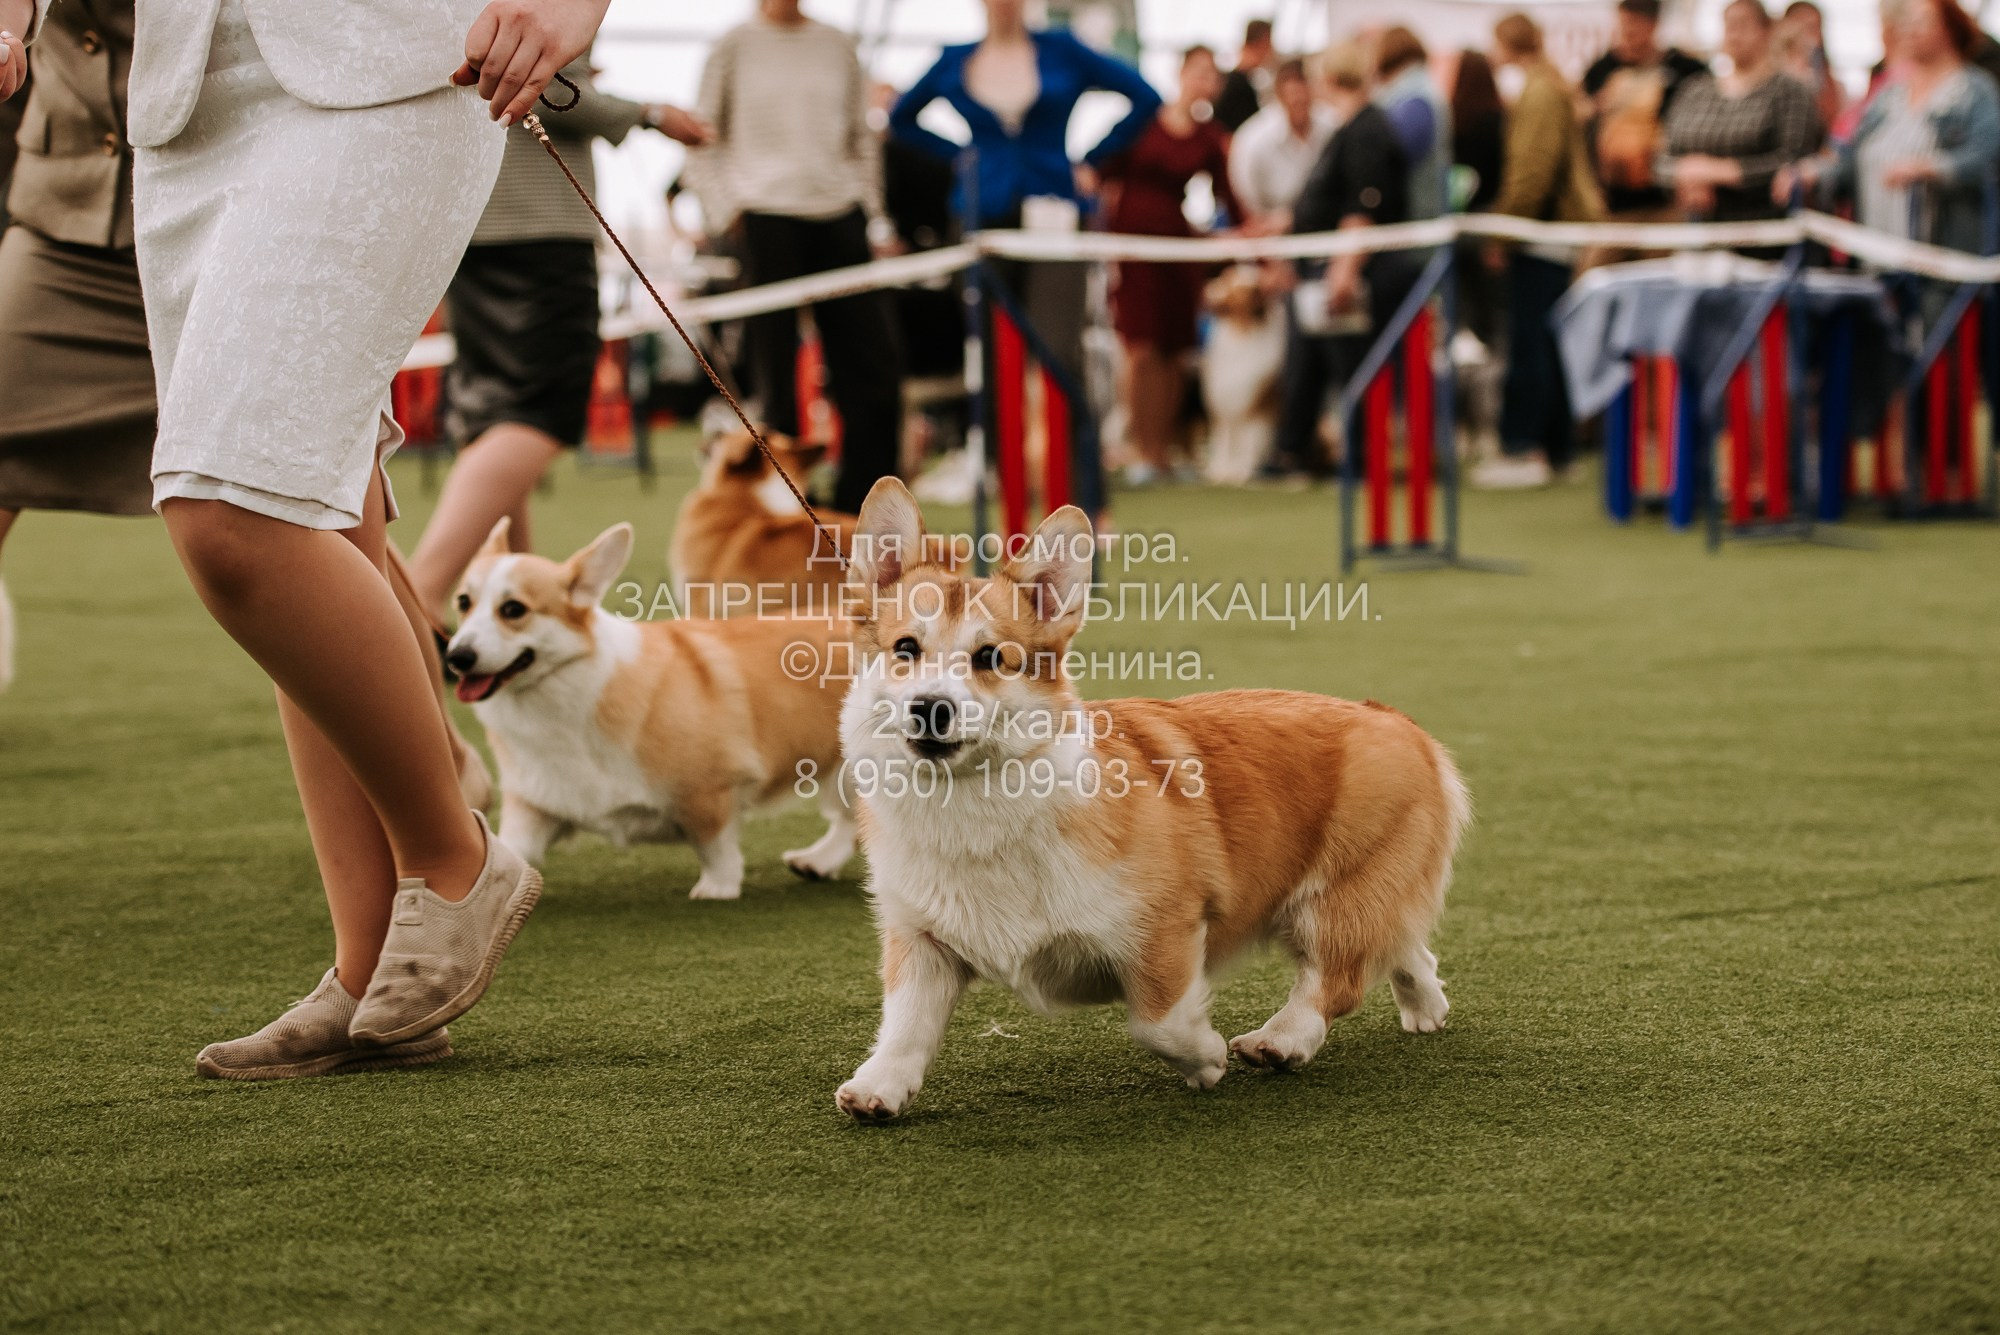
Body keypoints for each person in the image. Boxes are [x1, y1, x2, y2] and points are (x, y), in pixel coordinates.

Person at [4, 0, 608, 1080]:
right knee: (319, 507)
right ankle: (368, 966)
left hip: (391, 71)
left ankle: (454, 857)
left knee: (233, 512)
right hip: (185, 111)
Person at [407, 58, 708, 616]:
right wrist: (649, 113)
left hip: (470, 214)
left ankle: (509, 607)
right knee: (537, 412)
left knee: (497, 414)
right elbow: (537, 81)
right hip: (537, 221)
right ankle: (421, 596)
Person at [686, 0, 906, 516]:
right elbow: (701, 139)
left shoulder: (837, 43)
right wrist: (728, 211)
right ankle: (782, 509)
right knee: (772, 379)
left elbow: (863, 138)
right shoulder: (732, 45)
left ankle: (862, 511)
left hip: (840, 216)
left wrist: (871, 213)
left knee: (873, 371)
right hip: (763, 219)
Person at [890, 0, 1160, 390]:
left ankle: (1067, 448)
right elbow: (901, 119)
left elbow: (1145, 96)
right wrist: (962, 157)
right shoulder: (955, 59)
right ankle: (1000, 450)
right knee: (992, 352)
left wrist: (1094, 159)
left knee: (1057, 346)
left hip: (1054, 210)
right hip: (981, 214)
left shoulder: (1063, 48)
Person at [1269, 42, 1421, 477]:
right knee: (1329, 367)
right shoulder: (1354, 127)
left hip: (1361, 270)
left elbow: (1362, 208)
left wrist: (1343, 272)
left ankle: (1363, 458)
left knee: (1356, 368)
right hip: (1339, 263)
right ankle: (1312, 451)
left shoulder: (1365, 131)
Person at [1475, 12, 1607, 490]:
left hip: (1544, 235)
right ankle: (1556, 448)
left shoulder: (1539, 92)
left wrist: (1502, 234)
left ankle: (1524, 447)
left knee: (1531, 343)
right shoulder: (1548, 87)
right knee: (1549, 344)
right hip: (1556, 233)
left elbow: (1531, 175)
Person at [1102, 45, 1239, 484]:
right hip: (1134, 248)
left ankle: (1163, 451)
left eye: (1211, 75)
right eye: (1197, 71)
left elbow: (1230, 198)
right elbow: (1102, 170)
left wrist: (1246, 237)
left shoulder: (1209, 137)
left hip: (1179, 251)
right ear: (1181, 73)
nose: (1203, 82)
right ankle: (1140, 449)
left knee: (1175, 351)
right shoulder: (1142, 122)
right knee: (1140, 349)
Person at [1783, 0, 2000, 250]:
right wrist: (1814, 171)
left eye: (1922, 21)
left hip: (1940, 254)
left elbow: (1988, 157)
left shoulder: (1974, 91)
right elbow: (1851, 156)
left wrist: (1929, 168)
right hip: (1876, 251)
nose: (1910, 29)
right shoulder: (1890, 94)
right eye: (1907, 21)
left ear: (1950, 27)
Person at [1658, 0, 1822, 222]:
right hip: (1699, 223)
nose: (1735, 34)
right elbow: (1662, 157)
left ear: (1766, 31)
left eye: (1744, 25)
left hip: (1765, 227)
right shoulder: (1696, 90)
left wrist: (1723, 172)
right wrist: (1684, 177)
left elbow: (1793, 159)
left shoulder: (1788, 91)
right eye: (1729, 25)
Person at [1582, 0, 1711, 217]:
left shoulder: (1684, 70)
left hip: (1665, 200)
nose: (1627, 34)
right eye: (1624, 26)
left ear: (1653, 25)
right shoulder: (1602, 69)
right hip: (1611, 202)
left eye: (1634, 26)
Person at [1228, 57, 1338, 236]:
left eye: (1305, 95)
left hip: (1326, 229)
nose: (1299, 100)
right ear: (1279, 95)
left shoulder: (1332, 126)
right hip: (1272, 236)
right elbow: (1247, 200)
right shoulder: (1253, 139)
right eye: (1293, 96)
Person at [1451, 50, 1508, 345]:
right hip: (1489, 227)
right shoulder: (1500, 120)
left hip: (1464, 228)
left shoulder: (1456, 122)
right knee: (1492, 318)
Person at [1374, 26, 1453, 223]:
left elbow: (1390, 159)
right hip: (1422, 216)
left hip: (1414, 219)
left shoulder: (1413, 100)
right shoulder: (1422, 91)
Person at [1215, 18, 1276, 132]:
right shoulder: (1237, 85)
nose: (1272, 49)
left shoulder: (1241, 81)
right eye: (1269, 43)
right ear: (1263, 41)